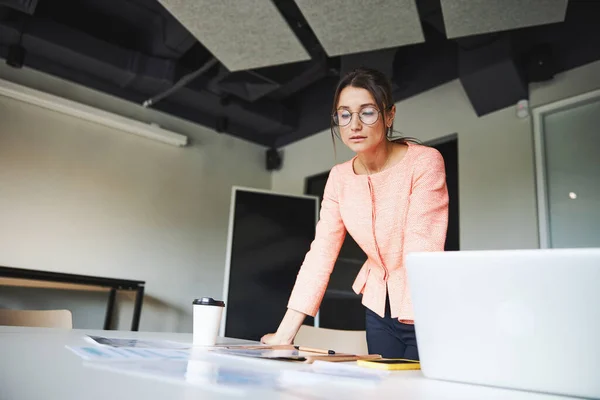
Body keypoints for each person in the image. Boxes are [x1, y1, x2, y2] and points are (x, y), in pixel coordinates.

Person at [261, 67, 449, 360]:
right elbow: (320, 254)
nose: (355, 124)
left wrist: (418, 320)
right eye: (345, 114)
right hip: (378, 307)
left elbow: (421, 245)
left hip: (423, 307)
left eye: (368, 112)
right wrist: (286, 333)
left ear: (389, 115)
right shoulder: (339, 178)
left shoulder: (423, 162)